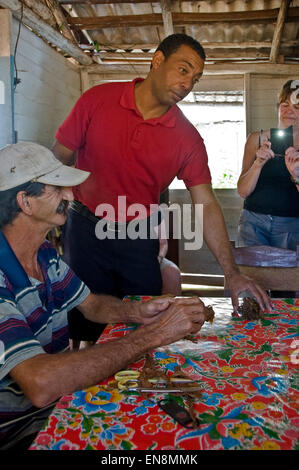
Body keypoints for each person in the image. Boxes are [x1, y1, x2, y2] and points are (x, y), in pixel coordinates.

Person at [52, 33, 271, 344]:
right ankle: (82, 386)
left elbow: (206, 203)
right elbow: (59, 155)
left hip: (139, 232)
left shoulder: (187, 139)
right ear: (157, 60)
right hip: (86, 226)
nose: (187, 84)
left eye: (195, 79)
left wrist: (231, 272)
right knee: (84, 321)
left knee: (146, 319)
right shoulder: (97, 100)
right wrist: (55, 206)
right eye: (183, 70)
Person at [0, 142, 213, 450]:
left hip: (56, 410)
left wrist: (139, 313)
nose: (70, 196)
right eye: (57, 189)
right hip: (21, 433)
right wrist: (152, 335)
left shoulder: (44, 254)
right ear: (25, 202)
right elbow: (41, 384)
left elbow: (92, 304)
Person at [237, 79, 299, 249]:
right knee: (251, 274)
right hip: (252, 222)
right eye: (285, 104)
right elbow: (243, 191)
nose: (289, 111)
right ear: (278, 106)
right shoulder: (256, 139)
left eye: (297, 107)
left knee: (287, 276)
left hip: (292, 226)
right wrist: (258, 163)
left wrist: (296, 175)